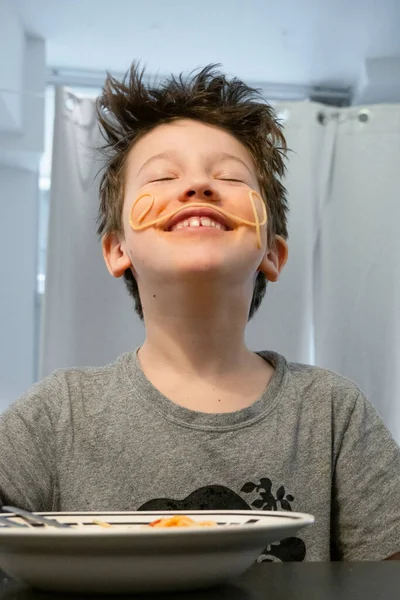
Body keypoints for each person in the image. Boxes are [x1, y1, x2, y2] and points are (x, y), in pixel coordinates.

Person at [0, 64, 399, 562]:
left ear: (272, 254)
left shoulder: (332, 411)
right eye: (165, 176)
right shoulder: (58, 414)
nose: (198, 186)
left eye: (229, 176)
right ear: (116, 248)